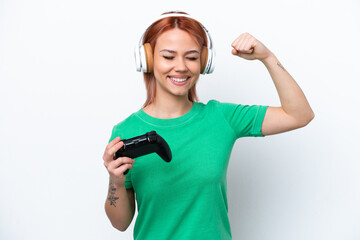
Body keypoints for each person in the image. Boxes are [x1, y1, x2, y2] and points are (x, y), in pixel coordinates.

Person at [102, 11, 314, 240]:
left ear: (204, 62)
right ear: (148, 60)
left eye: (192, 57)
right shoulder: (125, 131)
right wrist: (115, 180)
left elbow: (299, 115)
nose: (181, 67)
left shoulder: (221, 117)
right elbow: (120, 224)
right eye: (169, 56)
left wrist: (268, 57)